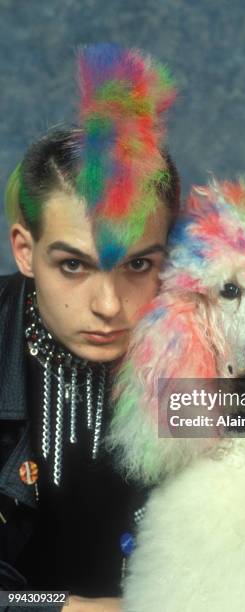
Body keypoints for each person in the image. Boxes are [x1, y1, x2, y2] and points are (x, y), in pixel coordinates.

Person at [0, 43, 180, 611]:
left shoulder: (203, 340)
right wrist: (62, 608)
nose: (109, 305)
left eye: (138, 265)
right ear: (25, 250)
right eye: (73, 265)